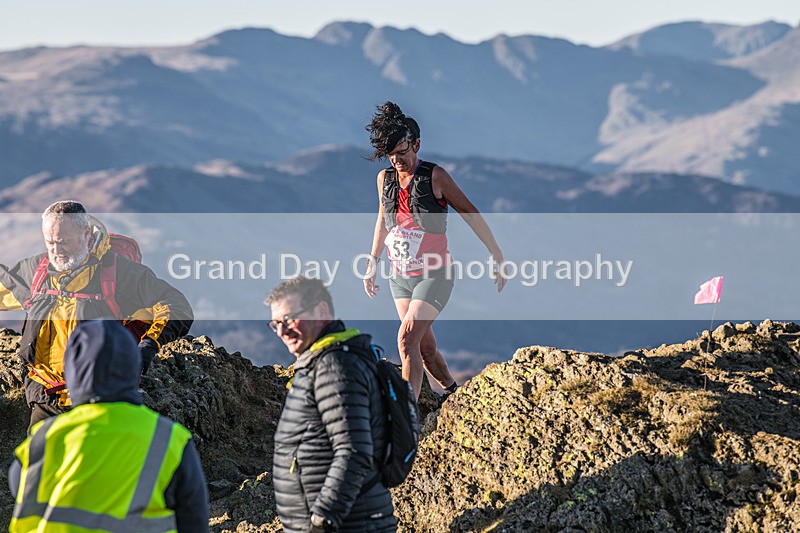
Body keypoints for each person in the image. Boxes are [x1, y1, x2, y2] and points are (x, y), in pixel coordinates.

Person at [0, 200, 193, 432]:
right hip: (46, 397)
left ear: (88, 237)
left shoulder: (120, 274)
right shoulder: (36, 270)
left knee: (97, 465)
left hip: (102, 396)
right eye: (50, 242)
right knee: (41, 467)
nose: (56, 251)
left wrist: (148, 346)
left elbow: (177, 306)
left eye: (64, 242)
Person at [8, 320, 209, 532]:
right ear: (132, 367)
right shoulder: (170, 440)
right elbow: (194, 522)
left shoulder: (46, 438)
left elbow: (18, 485)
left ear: (73, 372)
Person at [363, 102, 506, 399]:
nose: (396, 160)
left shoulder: (435, 177)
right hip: (400, 276)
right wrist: (372, 262)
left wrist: (496, 253)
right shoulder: (385, 180)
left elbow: (470, 212)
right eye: (391, 154)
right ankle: (454, 393)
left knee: (405, 339)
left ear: (417, 144)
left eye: (402, 152)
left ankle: (406, 415)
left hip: (434, 274)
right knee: (424, 348)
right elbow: (383, 220)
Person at [266, 277, 396, 533]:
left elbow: (354, 451)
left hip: (348, 525)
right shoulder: (319, 364)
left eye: (290, 318)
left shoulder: (335, 367)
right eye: (275, 324)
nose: (282, 331)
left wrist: (322, 520)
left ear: (321, 311)